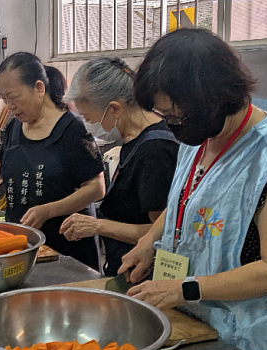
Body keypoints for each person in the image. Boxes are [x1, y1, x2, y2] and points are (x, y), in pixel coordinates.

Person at [118, 29, 267, 350]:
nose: (172, 126)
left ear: (213, 99)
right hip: (197, 327)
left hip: (251, 349)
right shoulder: (198, 139)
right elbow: (187, 198)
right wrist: (148, 242)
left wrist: (185, 289)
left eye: (177, 117)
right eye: (166, 117)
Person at [0, 52, 106, 269]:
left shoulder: (73, 131)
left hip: (68, 251)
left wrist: (49, 210)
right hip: (23, 246)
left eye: (13, 97)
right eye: (4, 99)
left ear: (39, 88)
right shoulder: (14, 127)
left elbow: (96, 188)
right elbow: (0, 166)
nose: (9, 106)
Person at [59, 57, 179, 276]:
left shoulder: (154, 151)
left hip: (146, 278)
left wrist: (97, 226)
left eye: (89, 118)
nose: (89, 126)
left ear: (114, 108)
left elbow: (163, 232)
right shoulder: (133, 141)